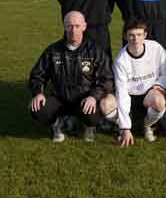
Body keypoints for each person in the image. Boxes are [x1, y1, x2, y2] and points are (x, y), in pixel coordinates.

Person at [28, 11, 113, 143]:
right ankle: (57, 124)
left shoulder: (95, 50)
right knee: (37, 109)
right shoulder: (53, 50)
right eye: (69, 26)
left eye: (77, 26)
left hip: (84, 99)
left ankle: (89, 126)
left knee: (94, 114)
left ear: (84, 26)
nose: (73, 30)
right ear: (64, 26)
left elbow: (106, 79)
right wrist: (38, 93)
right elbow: (37, 75)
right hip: (60, 99)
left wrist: (93, 96)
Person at [103, 19, 166, 146]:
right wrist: (125, 128)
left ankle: (146, 125)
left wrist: (158, 86)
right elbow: (122, 92)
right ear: (125, 36)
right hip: (130, 96)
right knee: (105, 105)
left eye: (139, 35)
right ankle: (123, 125)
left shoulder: (155, 48)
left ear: (145, 35)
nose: (135, 39)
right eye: (131, 35)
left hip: (149, 95)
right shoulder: (121, 60)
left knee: (159, 101)